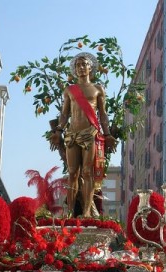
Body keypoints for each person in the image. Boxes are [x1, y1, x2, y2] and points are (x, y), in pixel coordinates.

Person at [50, 52, 117, 218]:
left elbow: (102, 114)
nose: (80, 67)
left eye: (83, 64)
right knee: (72, 172)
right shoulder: (69, 90)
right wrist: (58, 130)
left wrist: (107, 134)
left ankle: (86, 212)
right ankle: (70, 212)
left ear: (90, 67)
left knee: (87, 173)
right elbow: (64, 114)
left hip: (90, 134)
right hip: (72, 134)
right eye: (77, 65)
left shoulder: (98, 89)